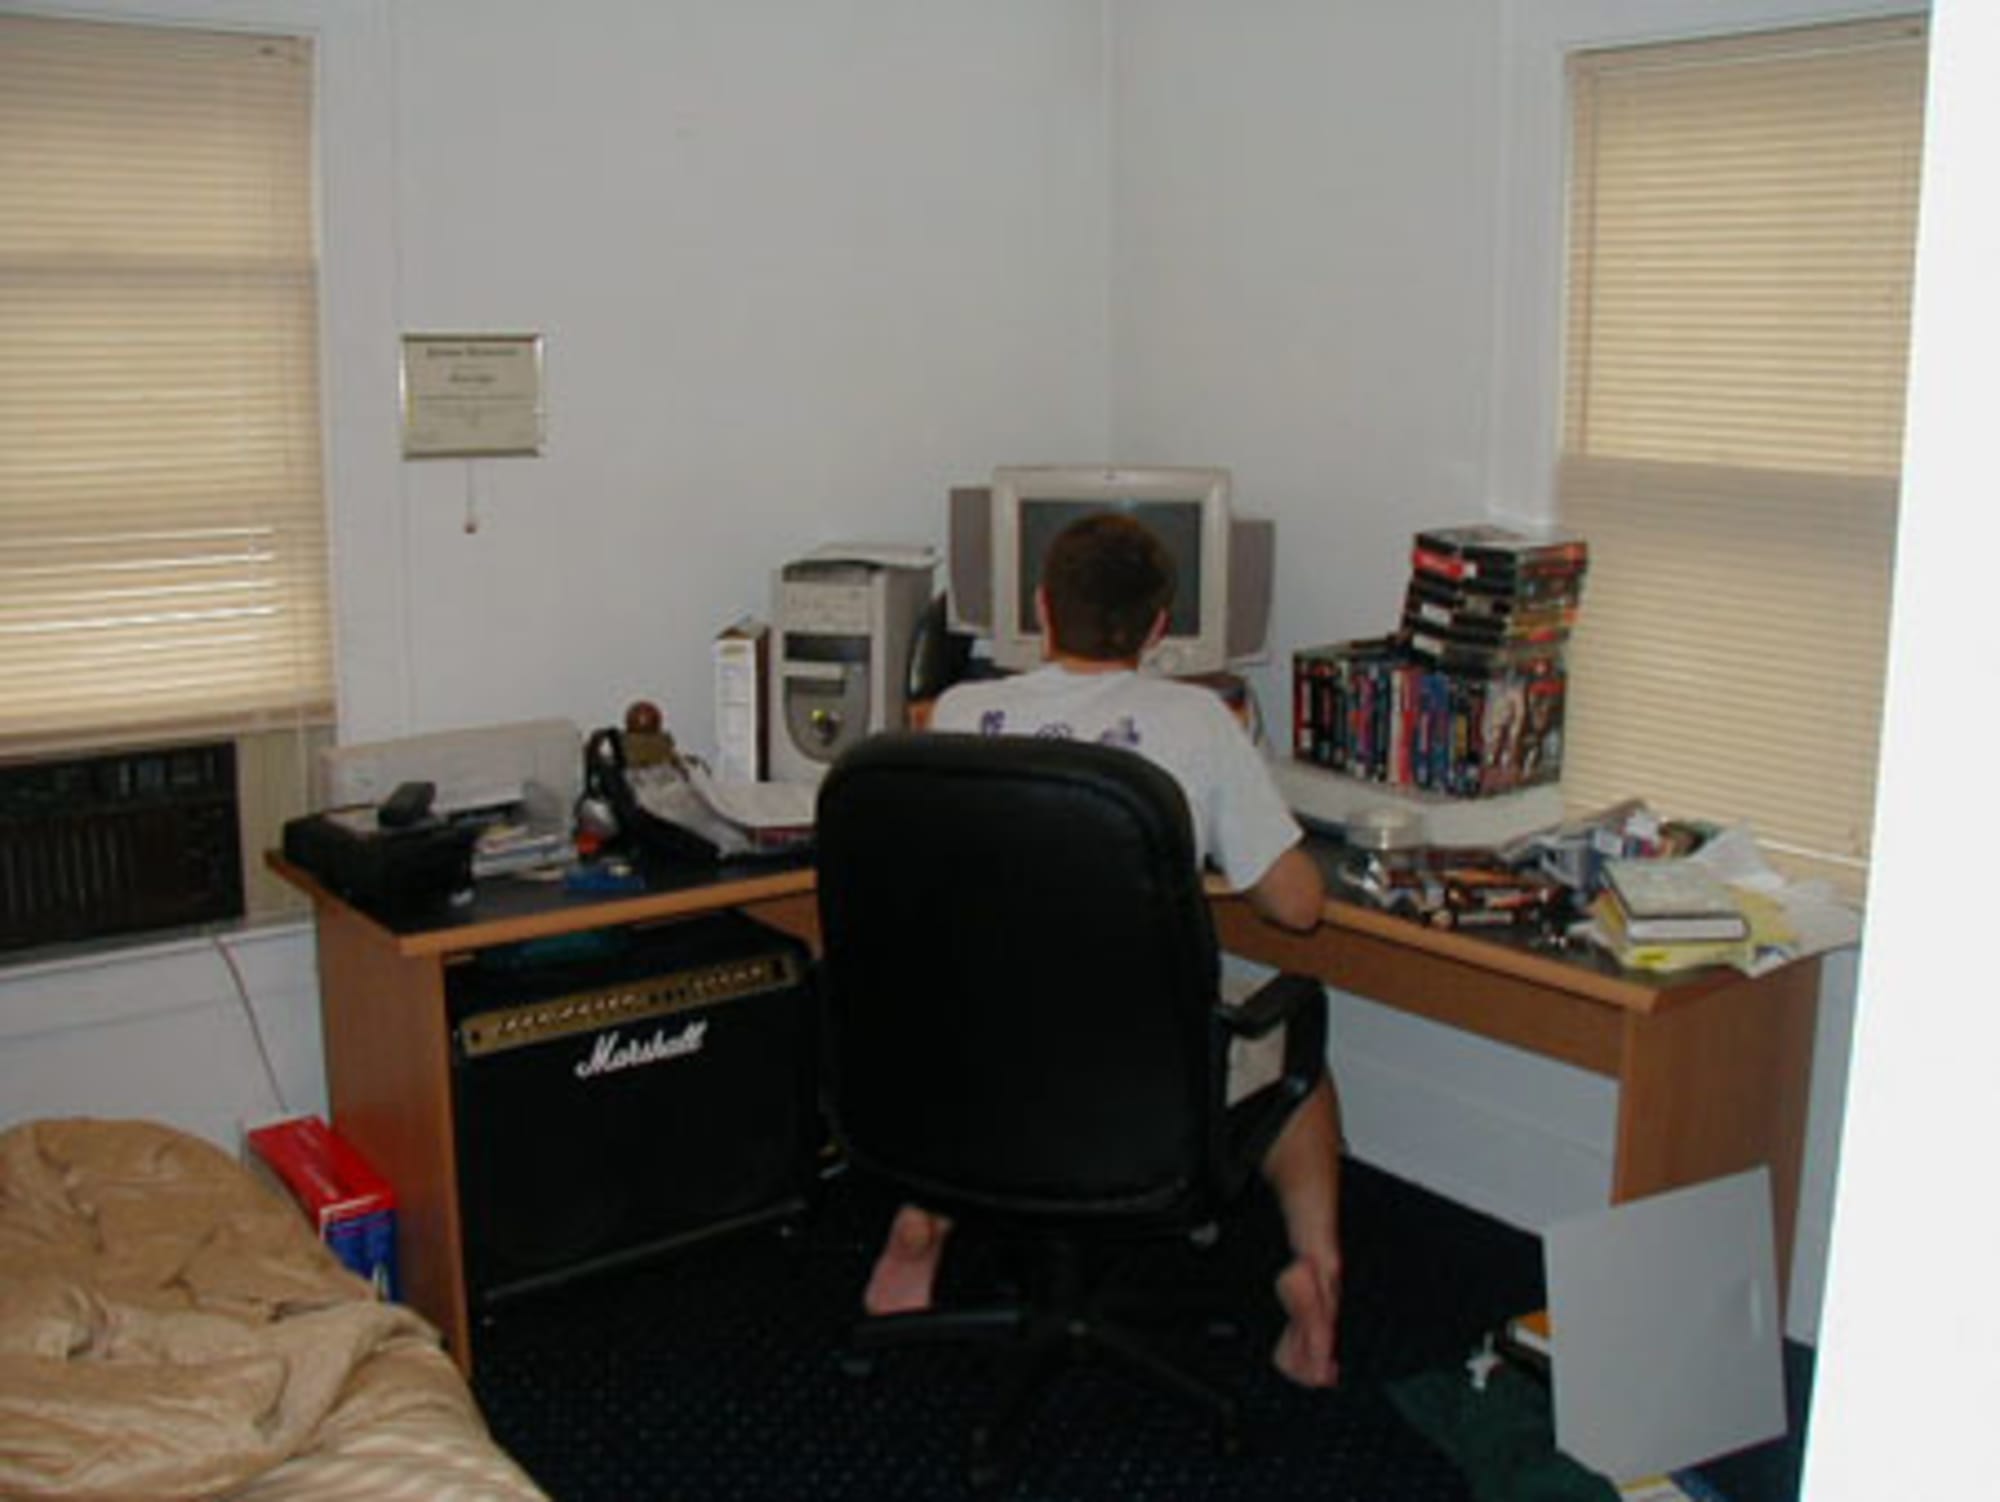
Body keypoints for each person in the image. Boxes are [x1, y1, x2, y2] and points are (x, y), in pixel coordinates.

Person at [861, 511, 1344, 1389]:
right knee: (1295, 1046)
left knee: (985, 1002)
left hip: (966, 1074)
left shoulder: (958, 712)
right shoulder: (1199, 720)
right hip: (1132, 1089)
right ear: (1158, 628)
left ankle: (925, 1217)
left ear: (1043, 609)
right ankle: (1317, 1274)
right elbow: (1299, 909)